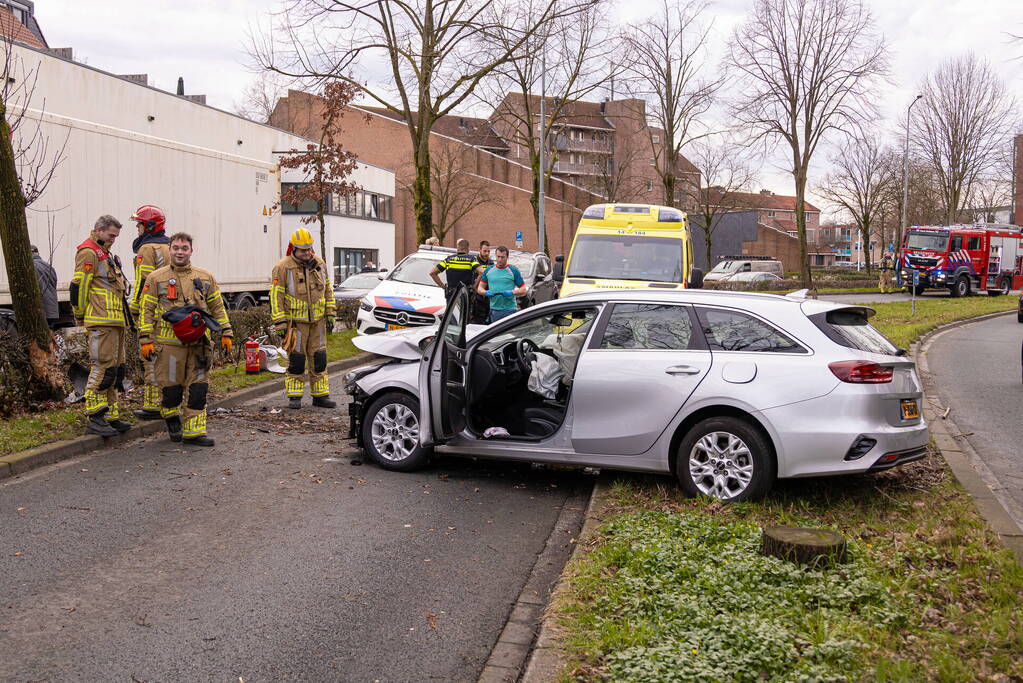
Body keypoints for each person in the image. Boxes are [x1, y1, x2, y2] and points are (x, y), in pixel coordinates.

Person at [139, 232, 233, 446]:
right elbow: (146, 309)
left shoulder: (205, 277)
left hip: (199, 344)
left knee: (198, 388)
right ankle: (172, 419)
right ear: (169, 249)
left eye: (184, 248)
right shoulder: (155, 278)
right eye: (176, 248)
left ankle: (194, 432)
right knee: (171, 389)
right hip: (169, 345)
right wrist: (146, 339)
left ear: (191, 251)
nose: (180, 252)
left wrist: (226, 332)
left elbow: (217, 307)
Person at [70, 216, 132, 437]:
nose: (113, 240)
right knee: (103, 367)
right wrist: (79, 313)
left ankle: (111, 415)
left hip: (115, 321)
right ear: (98, 230)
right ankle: (94, 416)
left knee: (116, 369)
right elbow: (80, 286)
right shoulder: (88, 252)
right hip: (101, 319)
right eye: (111, 235)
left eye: (116, 236)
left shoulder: (105, 254)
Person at [271, 228, 337, 410]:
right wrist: (280, 322)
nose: (307, 252)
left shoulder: (319, 264)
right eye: (302, 249)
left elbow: (328, 289)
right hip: (295, 324)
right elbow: (276, 296)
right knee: (297, 360)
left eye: (309, 248)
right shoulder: (283, 267)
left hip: (318, 322)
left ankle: (321, 396)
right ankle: (294, 397)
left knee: (319, 358)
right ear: (294, 248)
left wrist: (330, 311)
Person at [128, 205, 171, 420]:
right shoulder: (170, 246)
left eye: (140, 224)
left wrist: (134, 307)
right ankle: (169, 400)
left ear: (150, 225)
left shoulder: (146, 249)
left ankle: (153, 405)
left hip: (151, 312)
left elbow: (142, 282)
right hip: (169, 312)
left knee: (150, 357)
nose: (137, 228)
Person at [478, 245, 526, 323]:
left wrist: (512, 292)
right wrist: (486, 292)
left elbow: (523, 290)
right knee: (496, 334)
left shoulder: (513, 270)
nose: (500, 260)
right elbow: (479, 289)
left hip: (510, 310)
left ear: (507, 257)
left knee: (508, 334)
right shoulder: (489, 270)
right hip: (494, 310)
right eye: (498, 257)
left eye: (502, 257)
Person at [31, 245, 58, 329]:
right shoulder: (49, 267)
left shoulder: (31, 267)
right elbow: (54, 284)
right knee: (50, 336)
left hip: (41, 308)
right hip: (52, 308)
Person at [470, 240, 492, 325]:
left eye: (488, 251)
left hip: (487, 295)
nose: (487, 253)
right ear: (479, 249)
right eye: (485, 251)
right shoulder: (474, 262)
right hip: (475, 297)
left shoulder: (490, 262)